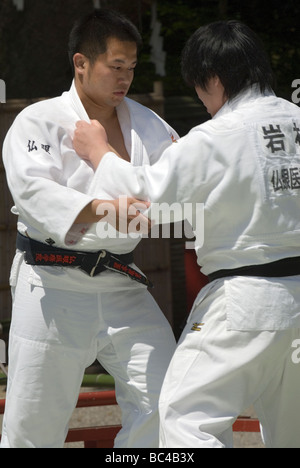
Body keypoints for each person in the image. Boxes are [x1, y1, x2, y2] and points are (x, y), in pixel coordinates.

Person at [73, 20, 300, 448]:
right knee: (293, 430)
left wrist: (98, 150)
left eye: (199, 87)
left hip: (246, 301)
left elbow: (143, 193)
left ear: (212, 78)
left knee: (184, 420)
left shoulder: (215, 137)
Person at [1, 9, 178, 448]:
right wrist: (102, 208)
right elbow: (32, 194)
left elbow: (175, 190)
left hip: (122, 283)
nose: (125, 79)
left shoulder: (152, 127)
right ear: (81, 63)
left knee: (167, 400)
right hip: (52, 282)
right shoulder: (39, 121)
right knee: (32, 424)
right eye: (115, 67)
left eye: (132, 68)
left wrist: (152, 210)